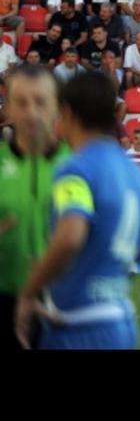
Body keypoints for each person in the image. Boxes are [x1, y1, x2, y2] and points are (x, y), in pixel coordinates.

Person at [15, 71, 140, 349]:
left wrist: (29, 292)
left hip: (78, 325)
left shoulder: (75, 169)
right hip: (122, 322)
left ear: (66, 112)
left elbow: (70, 237)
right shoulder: (133, 170)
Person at [0, 66, 67, 349]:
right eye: (21, 102)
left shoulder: (78, 164)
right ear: (8, 109)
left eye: (40, 101)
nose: (31, 112)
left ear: (57, 107)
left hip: (62, 307)